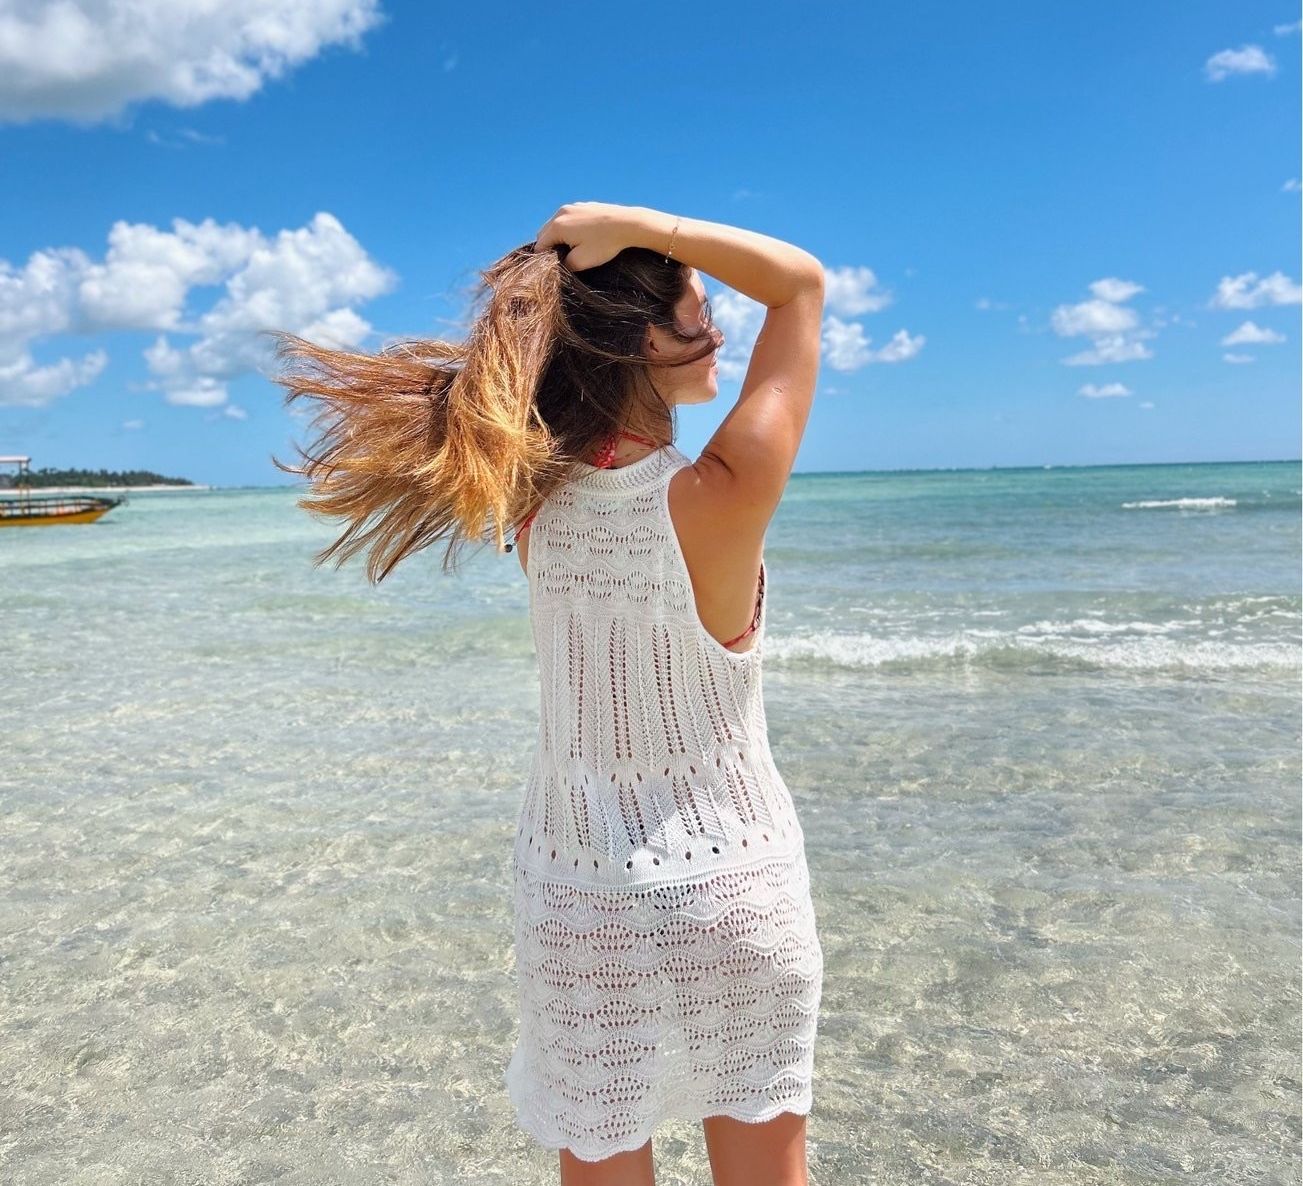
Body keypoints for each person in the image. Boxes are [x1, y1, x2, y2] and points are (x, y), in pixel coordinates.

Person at [270, 202, 826, 1186]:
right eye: (699, 308)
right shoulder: (723, 492)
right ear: (643, 337)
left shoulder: (532, 508)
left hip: (577, 890)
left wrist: (586, 270)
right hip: (734, 883)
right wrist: (640, 224)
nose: (718, 329)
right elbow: (800, 285)